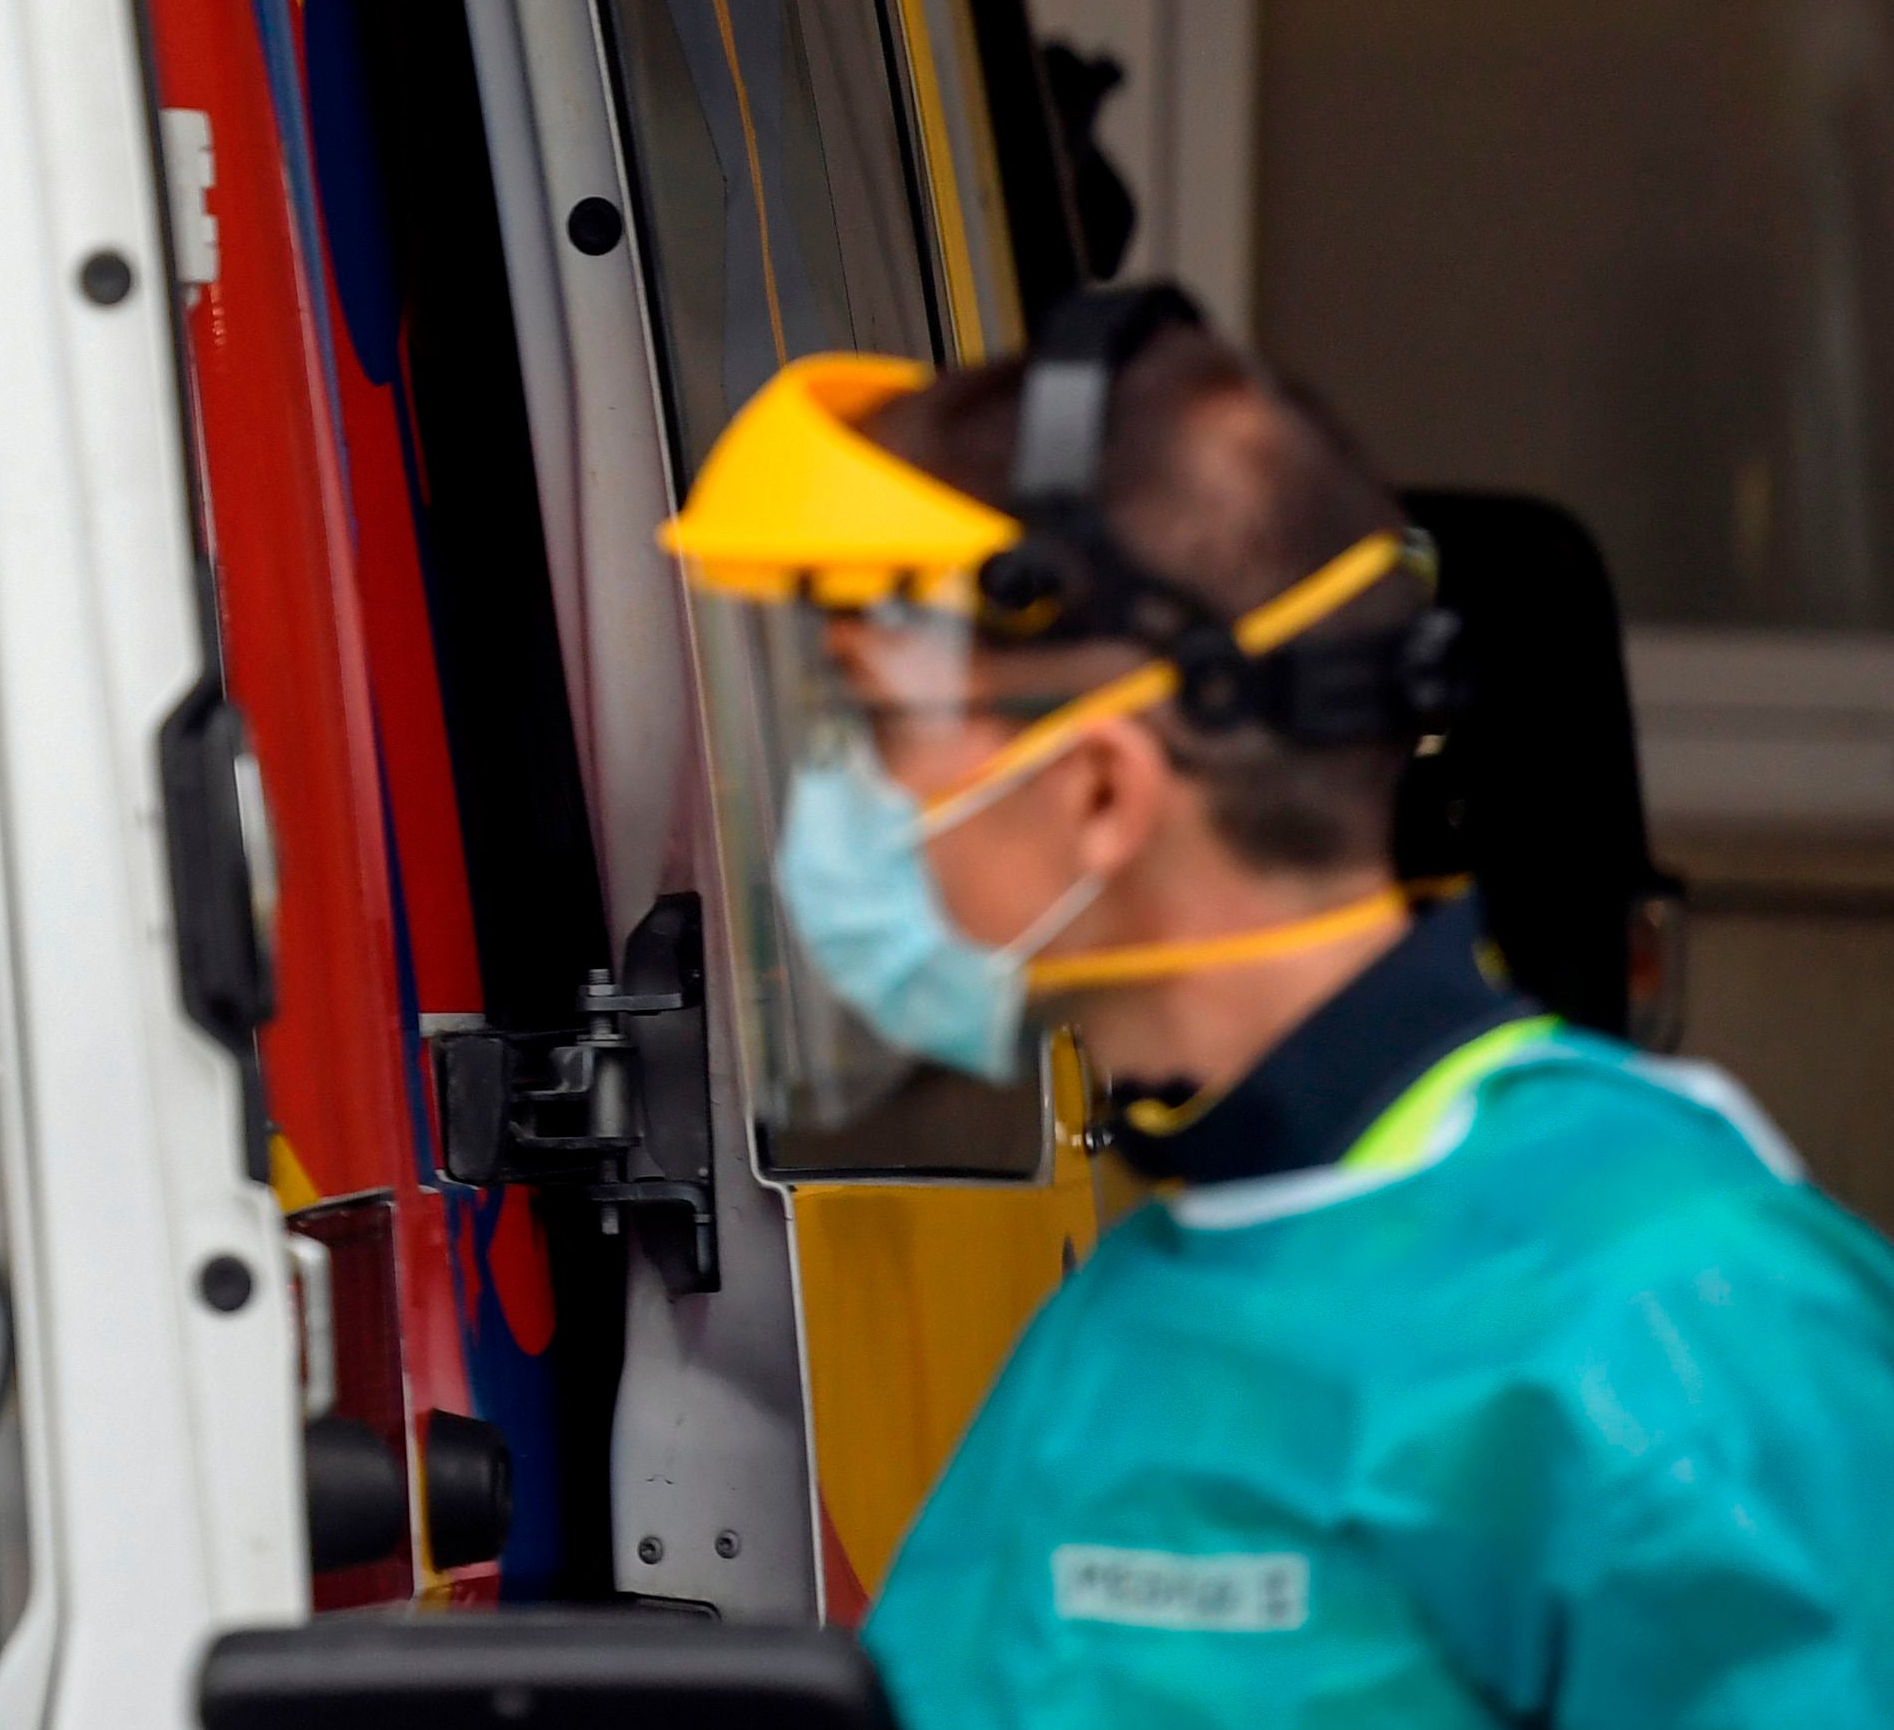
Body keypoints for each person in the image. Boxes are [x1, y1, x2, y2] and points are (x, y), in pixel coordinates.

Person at [660, 287, 1894, 1726]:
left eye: (876, 724)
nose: (834, 806)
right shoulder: (1146, 1296)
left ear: (1102, 789)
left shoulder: (1675, 1308)